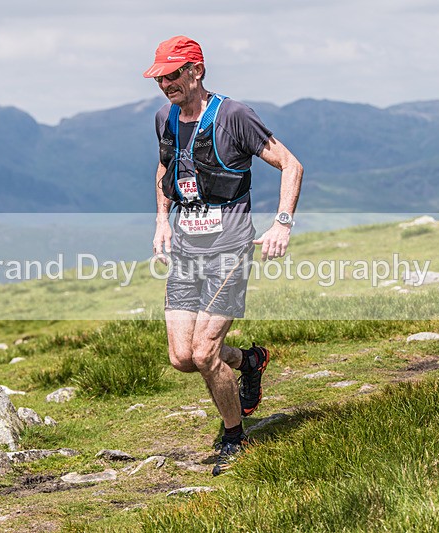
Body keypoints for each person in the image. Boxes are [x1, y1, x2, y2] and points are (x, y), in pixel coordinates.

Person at [143, 35, 303, 476]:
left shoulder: (234, 116)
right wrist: (161, 222)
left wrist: (281, 224)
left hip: (229, 249)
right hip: (186, 251)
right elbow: (164, 168)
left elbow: (291, 164)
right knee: (182, 357)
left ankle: (235, 438)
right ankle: (249, 361)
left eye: (172, 74)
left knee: (205, 352)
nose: (165, 84)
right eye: (159, 77)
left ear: (196, 70)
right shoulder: (165, 118)